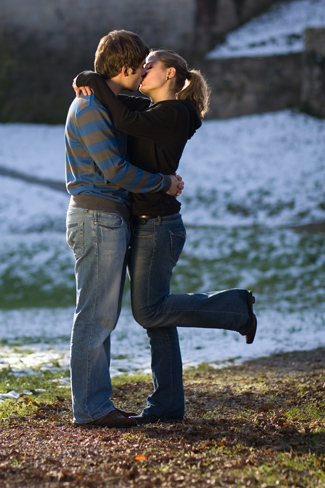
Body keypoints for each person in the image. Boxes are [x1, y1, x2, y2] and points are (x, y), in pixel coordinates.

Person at [75, 48, 257, 425]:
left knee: (149, 310)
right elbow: (119, 99)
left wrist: (92, 81)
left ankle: (236, 310)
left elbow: (122, 116)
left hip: (159, 225)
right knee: (158, 313)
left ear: (170, 73)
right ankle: (168, 403)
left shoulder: (175, 113)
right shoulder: (155, 110)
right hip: (144, 221)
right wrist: (89, 80)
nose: (143, 70)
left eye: (150, 66)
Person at [65, 31, 184, 428]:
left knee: (102, 316)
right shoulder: (89, 109)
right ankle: (92, 409)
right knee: (95, 316)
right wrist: (163, 183)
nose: (144, 75)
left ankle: (95, 405)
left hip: (108, 217)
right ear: (128, 69)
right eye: (142, 68)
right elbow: (114, 171)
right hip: (97, 217)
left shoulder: (104, 103)